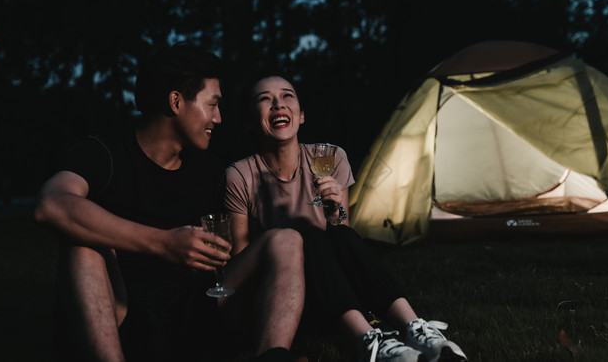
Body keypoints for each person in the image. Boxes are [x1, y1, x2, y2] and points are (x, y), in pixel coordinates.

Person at [34, 46, 305, 362]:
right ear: (176, 102)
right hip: (123, 312)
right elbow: (50, 204)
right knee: (81, 244)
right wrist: (164, 243)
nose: (218, 118)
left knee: (286, 240)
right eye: (213, 105)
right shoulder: (103, 154)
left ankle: (273, 355)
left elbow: (232, 254)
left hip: (194, 313)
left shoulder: (212, 171)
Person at [224, 75, 468, 362]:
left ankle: (414, 327)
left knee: (338, 234)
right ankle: (366, 340)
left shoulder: (330, 158)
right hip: (280, 297)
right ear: (250, 121)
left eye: (287, 96)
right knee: (307, 235)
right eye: (264, 99)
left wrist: (334, 211)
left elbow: (344, 240)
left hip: (332, 289)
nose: (278, 104)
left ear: (301, 116)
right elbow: (242, 257)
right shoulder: (241, 175)